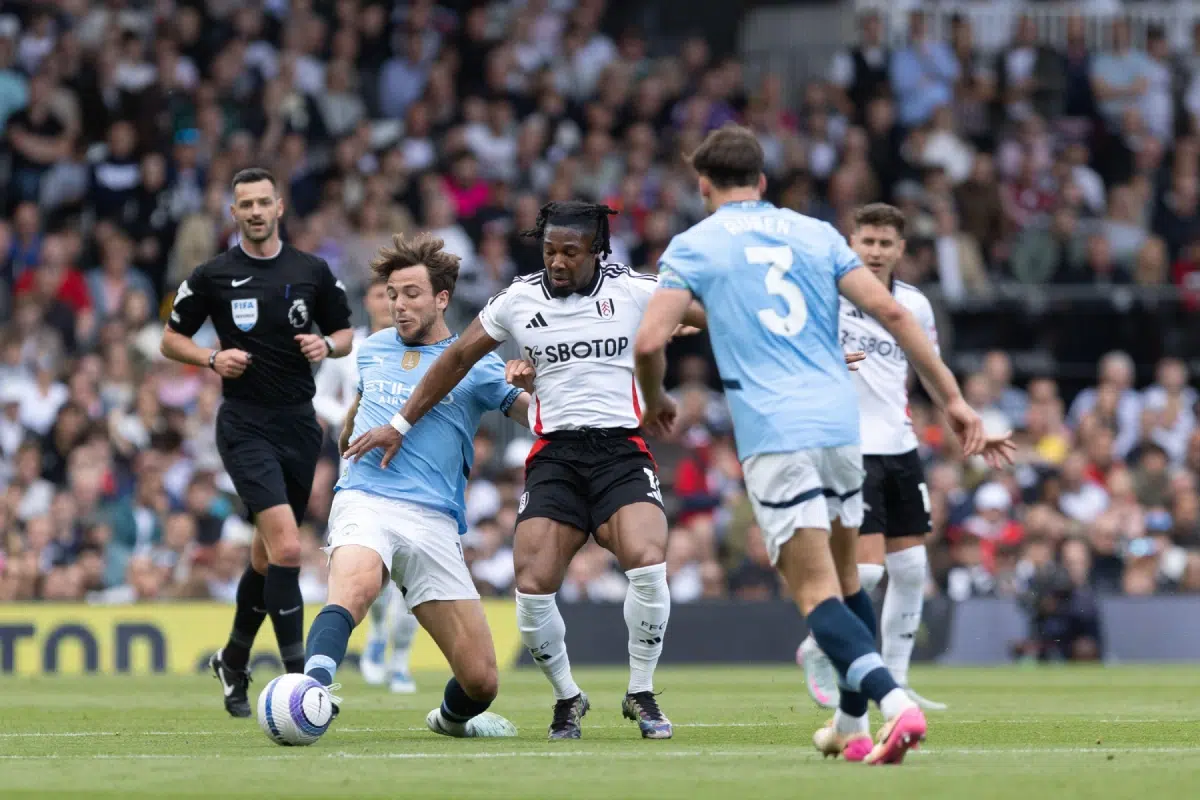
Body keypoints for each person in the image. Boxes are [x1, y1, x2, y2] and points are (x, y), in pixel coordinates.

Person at [632, 125, 1013, 765]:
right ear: (763, 181)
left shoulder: (694, 245)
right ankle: (851, 726)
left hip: (776, 432)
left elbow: (648, 342)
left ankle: (897, 704)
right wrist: (953, 400)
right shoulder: (814, 233)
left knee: (814, 593)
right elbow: (894, 314)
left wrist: (659, 397)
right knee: (847, 576)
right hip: (843, 430)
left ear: (703, 185)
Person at [346, 201, 710, 741]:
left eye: (569, 252)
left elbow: (717, 316)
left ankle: (641, 691)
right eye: (549, 251)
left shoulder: (634, 289)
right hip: (555, 455)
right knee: (533, 584)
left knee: (647, 559)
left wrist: (806, 351)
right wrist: (401, 421)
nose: (557, 262)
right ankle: (568, 698)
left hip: (620, 450)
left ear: (596, 251)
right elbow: (454, 359)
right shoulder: (517, 299)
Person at [306, 232, 531, 739]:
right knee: (357, 585)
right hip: (367, 497)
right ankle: (313, 687)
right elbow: (362, 404)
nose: (399, 306)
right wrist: (347, 431)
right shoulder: (373, 349)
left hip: (434, 520)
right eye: (392, 294)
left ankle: (450, 722)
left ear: (441, 299)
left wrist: (536, 387)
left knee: (481, 680)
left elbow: (533, 416)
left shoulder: (473, 362)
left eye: (411, 294)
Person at [161, 167, 354, 718]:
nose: (254, 211)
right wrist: (209, 357)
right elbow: (169, 338)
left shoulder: (312, 270)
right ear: (234, 212)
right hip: (244, 424)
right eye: (243, 203)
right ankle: (301, 686)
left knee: (268, 557)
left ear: (279, 206)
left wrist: (326, 346)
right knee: (290, 548)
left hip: (299, 424)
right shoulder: (213, 275)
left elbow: (344, 332)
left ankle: (233, 657)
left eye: (262, 202)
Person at [798, 203, 983, 713]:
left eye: (886, 244)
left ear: (901, 250)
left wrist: (953, 411)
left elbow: (928, 367)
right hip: (848, 446)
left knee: (911, 568)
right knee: (869, 574)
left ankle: (896, 681)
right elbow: (800, 357)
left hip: (900, 445)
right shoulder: (824, 296)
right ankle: (821, 644)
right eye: (868, 242)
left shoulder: (915, 306)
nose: (876, 252)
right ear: (850, 243)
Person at [313, 275, 420, 694]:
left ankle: (401, 662)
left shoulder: (418, 349)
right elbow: (319, 394)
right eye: (379, 295)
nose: (387, 302)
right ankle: (377, 638)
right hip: (359, 465)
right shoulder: (352, 350)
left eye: (394, 294)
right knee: (372, 576)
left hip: (412, 469)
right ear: (369, 301)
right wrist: (347, 414)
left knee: (413, 578)